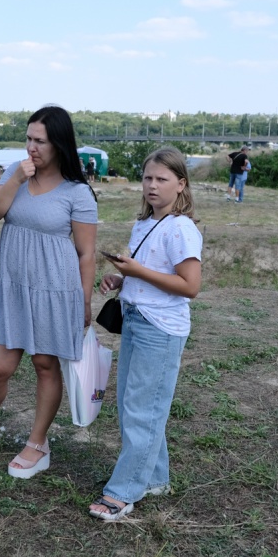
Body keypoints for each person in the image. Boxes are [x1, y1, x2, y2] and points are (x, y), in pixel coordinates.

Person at [0, 105, 98, 479]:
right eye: (28, 138)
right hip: (13, 288)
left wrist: (85, 301)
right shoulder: (15, 173)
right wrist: (17, 178)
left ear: (59, 144)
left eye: (40, 141)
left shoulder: (78, 193)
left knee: (44, 365)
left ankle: (38, 444)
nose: (31, 147)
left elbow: (86, 254)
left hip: (56, 291)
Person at [89, 146, 202, 521]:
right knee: (135, 405)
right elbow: (153, 273)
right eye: (147, 178)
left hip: (160, 328)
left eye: (162, 179)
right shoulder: (145, 223)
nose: (152, 185)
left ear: (181, 184)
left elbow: (190, 286)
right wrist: (122, 278)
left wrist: (136, 272)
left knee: (142, 409)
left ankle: (123, 491)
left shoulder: (181, 228)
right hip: (135, 319)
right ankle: (154, 478)